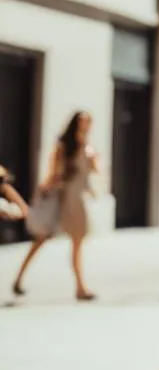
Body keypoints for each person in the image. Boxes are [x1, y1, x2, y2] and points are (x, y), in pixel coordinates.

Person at [12, 111, 100, 301]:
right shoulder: (65, 147)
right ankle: (19, 278)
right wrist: (45, 189)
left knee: (77, 243)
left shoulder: (88, 147)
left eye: (88, 123)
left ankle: (80, 287)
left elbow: (95, 171)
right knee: (41, 239)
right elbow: (55, 173)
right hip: (64, 198)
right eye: (83, 122)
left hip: (79, 200)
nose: (86, 126)